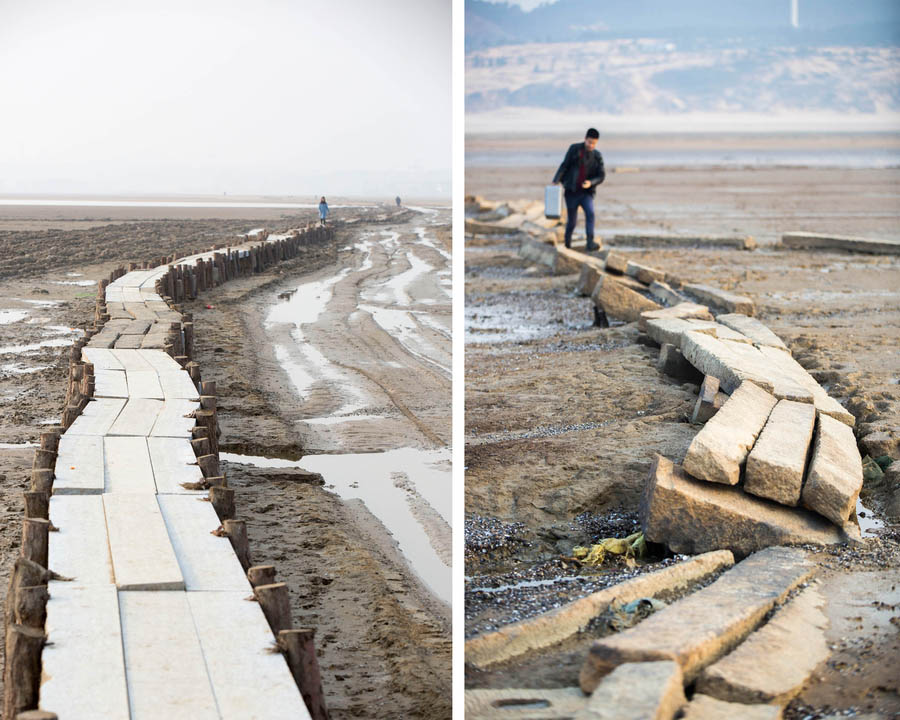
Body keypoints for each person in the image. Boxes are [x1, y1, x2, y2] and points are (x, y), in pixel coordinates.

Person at [552, 127, 605, 251]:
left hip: (586, 193)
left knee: (590, 213)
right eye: (589, 142)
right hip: (571, 192)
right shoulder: (574, 149)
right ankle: (567, 242)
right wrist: (556, 181)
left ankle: (590, 242)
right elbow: (564, 165)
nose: (591, 145)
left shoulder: (597, 156)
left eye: (594, 143)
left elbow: (601, 176)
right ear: (585, 139)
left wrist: (590, 182)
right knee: (572, 221)